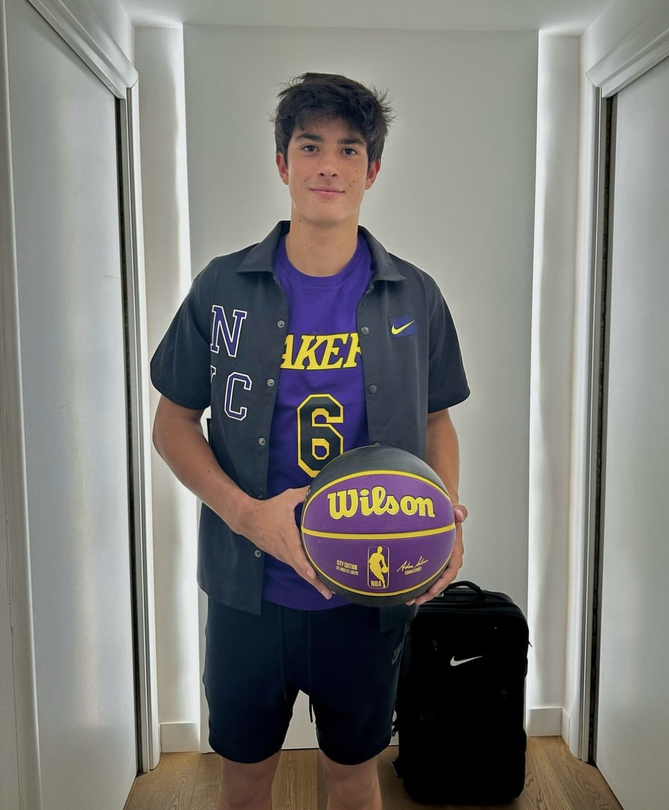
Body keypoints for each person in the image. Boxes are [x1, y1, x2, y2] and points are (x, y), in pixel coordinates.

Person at [151, 72, 469, 810]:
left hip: (370, 594)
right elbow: (172, 424)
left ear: (372, 169)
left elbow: (436, 421)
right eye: (310, 145)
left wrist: (444, 518)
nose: (329, 165)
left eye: (349, 149)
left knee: (354, 779)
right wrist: (247, 516)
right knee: (244, 782)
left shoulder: (416, 295)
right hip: (248, 595)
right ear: (282, 162)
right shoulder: (222, 288)